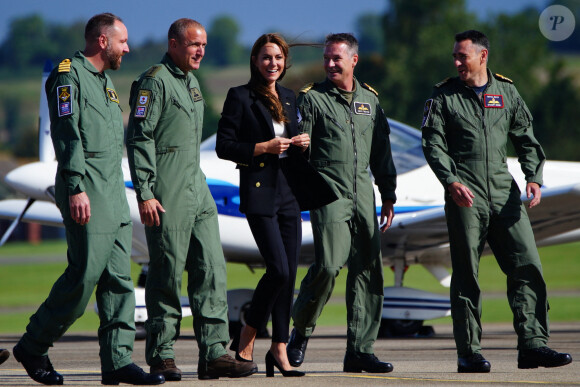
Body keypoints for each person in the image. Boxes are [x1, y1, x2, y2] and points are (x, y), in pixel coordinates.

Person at [12, 13, 164, 386]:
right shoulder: (68, 75)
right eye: (123, 41)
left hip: (113, 192)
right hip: (86, 190)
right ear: (102, 41)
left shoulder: (106, 83)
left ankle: (117, 362)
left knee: (119, 283)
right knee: (83, 278)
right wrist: (76, 186)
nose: (127, 48)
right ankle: (33, 345)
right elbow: (66, 135)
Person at [421, 29, 573, 373]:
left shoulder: (506, 91)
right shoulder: (443, 96)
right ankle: (469, 352)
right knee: (466, 275)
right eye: (455, 57)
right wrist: (452, 181)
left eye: (464, 56)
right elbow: (432, 145)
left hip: (505, 194)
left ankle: (533, 344)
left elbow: (526, 139)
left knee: (528, 265)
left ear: (482, 56)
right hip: (465, 195)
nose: (458, 62)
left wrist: (533, 177)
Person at [126, 18, 257, 381]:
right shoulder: (154, 82)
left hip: (197, 187)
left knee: (212, 269)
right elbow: (139, 139)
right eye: (193, 44)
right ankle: (162, 355)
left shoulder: (192, 82)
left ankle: (214, 352)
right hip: (166, 188)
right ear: (173, 44)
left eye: (204, 45)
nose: (200, 51)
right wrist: (146, 192)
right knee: (167, 272)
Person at [287, 33, 397, 373]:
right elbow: (297, 149)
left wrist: (388, 193)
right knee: (329, 265)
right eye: (327, 58)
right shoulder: (312, 100)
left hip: (363, 191)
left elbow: (381, 152)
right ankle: (300, 331)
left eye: (337, 58)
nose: (331, 64)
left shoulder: (370, 101)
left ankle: (360, 351)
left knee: (368, 268)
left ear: (353, 61)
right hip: (328, 190)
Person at [215, 33, 312, 378]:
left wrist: (303, 141)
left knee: (289, 275)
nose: (273, 64)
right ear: (255, 61)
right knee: (279, 270)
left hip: (290, 193)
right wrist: (263, 147)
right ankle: (247, 335)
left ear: (285, 63)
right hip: (259, 192)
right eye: (266, 57)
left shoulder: (290, 97)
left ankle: (280, 349)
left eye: (278, 58)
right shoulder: (239, 96)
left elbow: (296, 143)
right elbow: (224, 146)